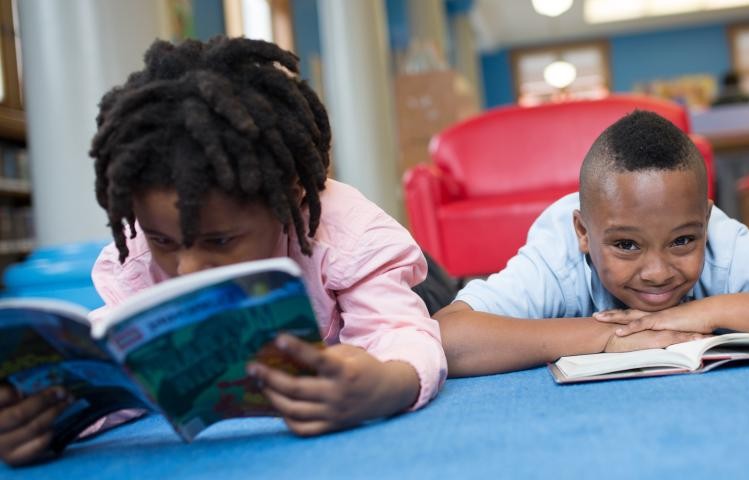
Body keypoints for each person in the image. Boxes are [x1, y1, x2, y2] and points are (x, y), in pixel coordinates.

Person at [0, 36, 448, 466]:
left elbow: (400, 333)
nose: (187, 268)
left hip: (415, 285)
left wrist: (389, 383)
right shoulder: (142, 253)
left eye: (219, 241)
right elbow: (126, 368)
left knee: (443, 320)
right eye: (164, 242)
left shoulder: (352, 238)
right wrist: (46, 416)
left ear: (290, 198)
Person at [436, 110, 749, 377]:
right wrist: (607, 335)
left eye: (683, 241)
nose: (657, 272)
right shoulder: (558, 254)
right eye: (626, 245)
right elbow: (447, 337)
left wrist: (703, 313)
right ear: (584, 233)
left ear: (706, 222)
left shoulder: (724, 244)